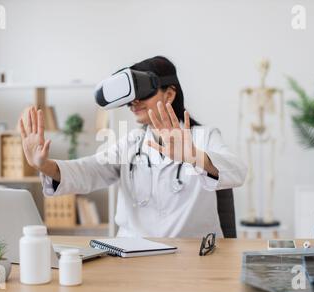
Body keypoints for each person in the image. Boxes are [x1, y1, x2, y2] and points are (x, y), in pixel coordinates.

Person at [20, 56, 247, 238]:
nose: (134, 103)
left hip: (192, 257)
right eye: (130, 98)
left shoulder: (203, 137)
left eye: (142, 94)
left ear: (169, 94)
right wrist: (45, 165)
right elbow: (89, 170)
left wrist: (195, 157)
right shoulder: (129, 144)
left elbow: (237, 172)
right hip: (134, 255)